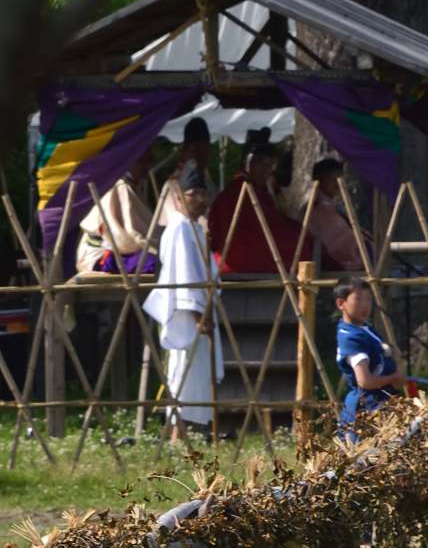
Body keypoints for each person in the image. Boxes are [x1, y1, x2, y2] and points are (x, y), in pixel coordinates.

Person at [142, 164, 222, 444]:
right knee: (182, 371)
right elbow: (183, 274)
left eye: (203, 193)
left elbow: (206, 271)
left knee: (196, 372)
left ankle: (183, 434)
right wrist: (198, 312)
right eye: (193, 194)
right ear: (179, 198)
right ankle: (176, 434)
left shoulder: (196, 229)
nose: (200, 199)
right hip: (186, 310)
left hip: (201, 306)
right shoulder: (178, 229)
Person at [209, 136, 305, 272]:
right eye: (261, 164)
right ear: (250, 164)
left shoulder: (261, 191)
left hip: (240, 256)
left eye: (270, 165)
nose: (266, 170)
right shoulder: (238, 191)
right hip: (238, 259)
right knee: (303, 243)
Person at [334, 277, 408, 436]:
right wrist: (392, 378)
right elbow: (365, 381)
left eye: (368, 299)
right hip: (367, 407)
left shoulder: (365, 328)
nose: (365, 304)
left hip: (382, 401)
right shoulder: (350, 338)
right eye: (358, 299)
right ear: (341, 304)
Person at [76, 144, 159, 273]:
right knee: (154, 263)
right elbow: (129, 234)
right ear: (133, 161)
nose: (148, 168)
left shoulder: (131, 187)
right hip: (102, 255)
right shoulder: (121, 187)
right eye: (145, 162)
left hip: (118, 252)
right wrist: (157, 247)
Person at [305, 158, 366, 272]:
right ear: (319, 179)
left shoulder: (334, 206)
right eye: (331, 178)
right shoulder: (317, 209)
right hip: (332, 268)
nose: (337, 183)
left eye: (339, 178)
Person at [157, 118, 214, 230]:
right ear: (184, 152)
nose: (199, 158)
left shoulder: (208, 183)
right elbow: (174, 224)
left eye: (204, 152)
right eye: (195, 152)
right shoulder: (173, 186)